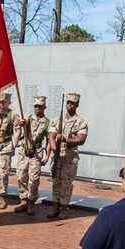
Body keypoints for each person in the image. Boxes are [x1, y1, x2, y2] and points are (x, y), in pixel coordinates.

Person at [47, 92, 88, 220]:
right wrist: (54, 149)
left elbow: (81, 140)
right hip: (58, 154)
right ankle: (55, 206)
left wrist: (65, 140)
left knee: (66, 183)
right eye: (68, 103)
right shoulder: (56, 120)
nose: (70, 105)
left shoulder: (81, 122)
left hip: (70, 156)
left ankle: (64, 207)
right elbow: (51, 136)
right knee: (56, 182)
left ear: (77, 105)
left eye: (72, 103)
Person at [13, 96, 50, 215]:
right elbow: (21, 123)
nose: (37, 108)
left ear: (44, 107)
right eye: (36, 106)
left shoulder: (47, 123)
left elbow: (49, 140)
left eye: (40, 106)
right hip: (24, 151)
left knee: (33, 179)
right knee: (21, 176)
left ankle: (31, 202)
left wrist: (47, 155)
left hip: (36, 152)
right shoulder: (28, 117)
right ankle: (23, 200)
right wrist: (21, 123)